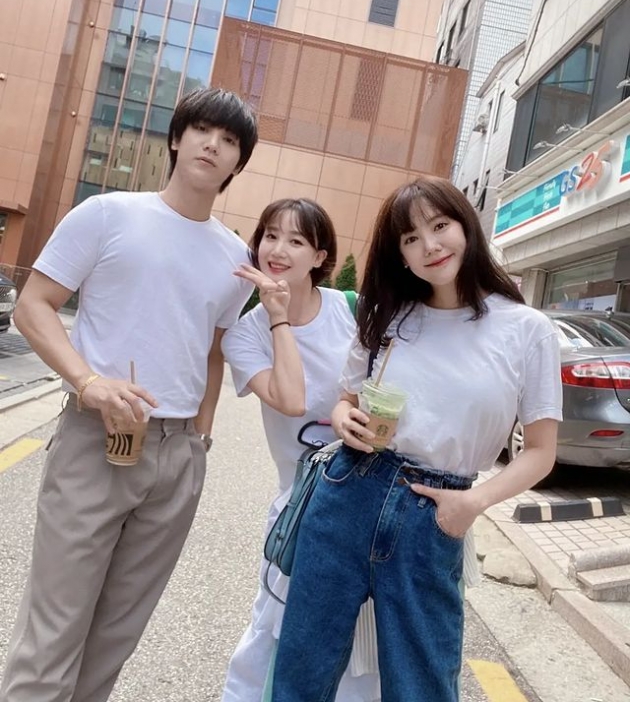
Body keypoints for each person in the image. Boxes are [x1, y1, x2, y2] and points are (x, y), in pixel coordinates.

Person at [0, 87, 258, 702]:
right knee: (54, 633)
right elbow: (34, 307)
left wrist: (201, 436)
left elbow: (213, 349)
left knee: (115, 637)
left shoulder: (235, 257)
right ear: (176, 138)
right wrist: (88, 382)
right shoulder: (107, 214)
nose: (212, 145)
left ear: (237, 163)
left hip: (177, 454)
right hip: (96, 439)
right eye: (202, 130)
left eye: (229, 141)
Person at [271, 177, 562, 702]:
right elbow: (346, 400)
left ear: (466, 227)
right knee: (301, 671)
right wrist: (343, 418)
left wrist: (472, 503)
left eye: (440, 226)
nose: (429, 245)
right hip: (349, 491)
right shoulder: (387, 315)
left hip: (434, 513)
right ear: (400, 255)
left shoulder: (526, 329)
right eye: (410, 238)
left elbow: (541, 452)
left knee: (422, 686)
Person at [221, 198, 380, 702]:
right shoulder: (245, 335)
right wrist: (278, 318)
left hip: (368, 498)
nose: (278, 249)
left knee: (362, 643)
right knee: (275, 628)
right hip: (300, 503)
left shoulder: (354, 311)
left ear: (320, 256)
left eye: (295, 240)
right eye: (270, 236)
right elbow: (291, 400)